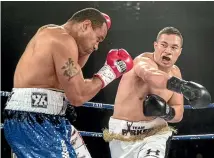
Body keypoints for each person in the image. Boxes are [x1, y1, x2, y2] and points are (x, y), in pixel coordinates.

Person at [3, 8, 134, 158]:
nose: (97, 46)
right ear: (85, 25)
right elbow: (78, 95)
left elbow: (74, 77)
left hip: (49, 119)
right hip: (34, 122)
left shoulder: (53, 34)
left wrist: (90, 45)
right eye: (98, 39)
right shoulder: (62, 40)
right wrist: (110, 72)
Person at [103, 27, 211, 158]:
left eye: (174, 47)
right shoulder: (141, 61)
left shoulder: (175, 72)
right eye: (163, 45)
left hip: (155, 133)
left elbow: (179, 112)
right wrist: (183, 87)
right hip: (123, 134)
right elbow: (151, 76)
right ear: (155, 45)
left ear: (179, 52)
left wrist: (167, 112)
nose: (168, 51)